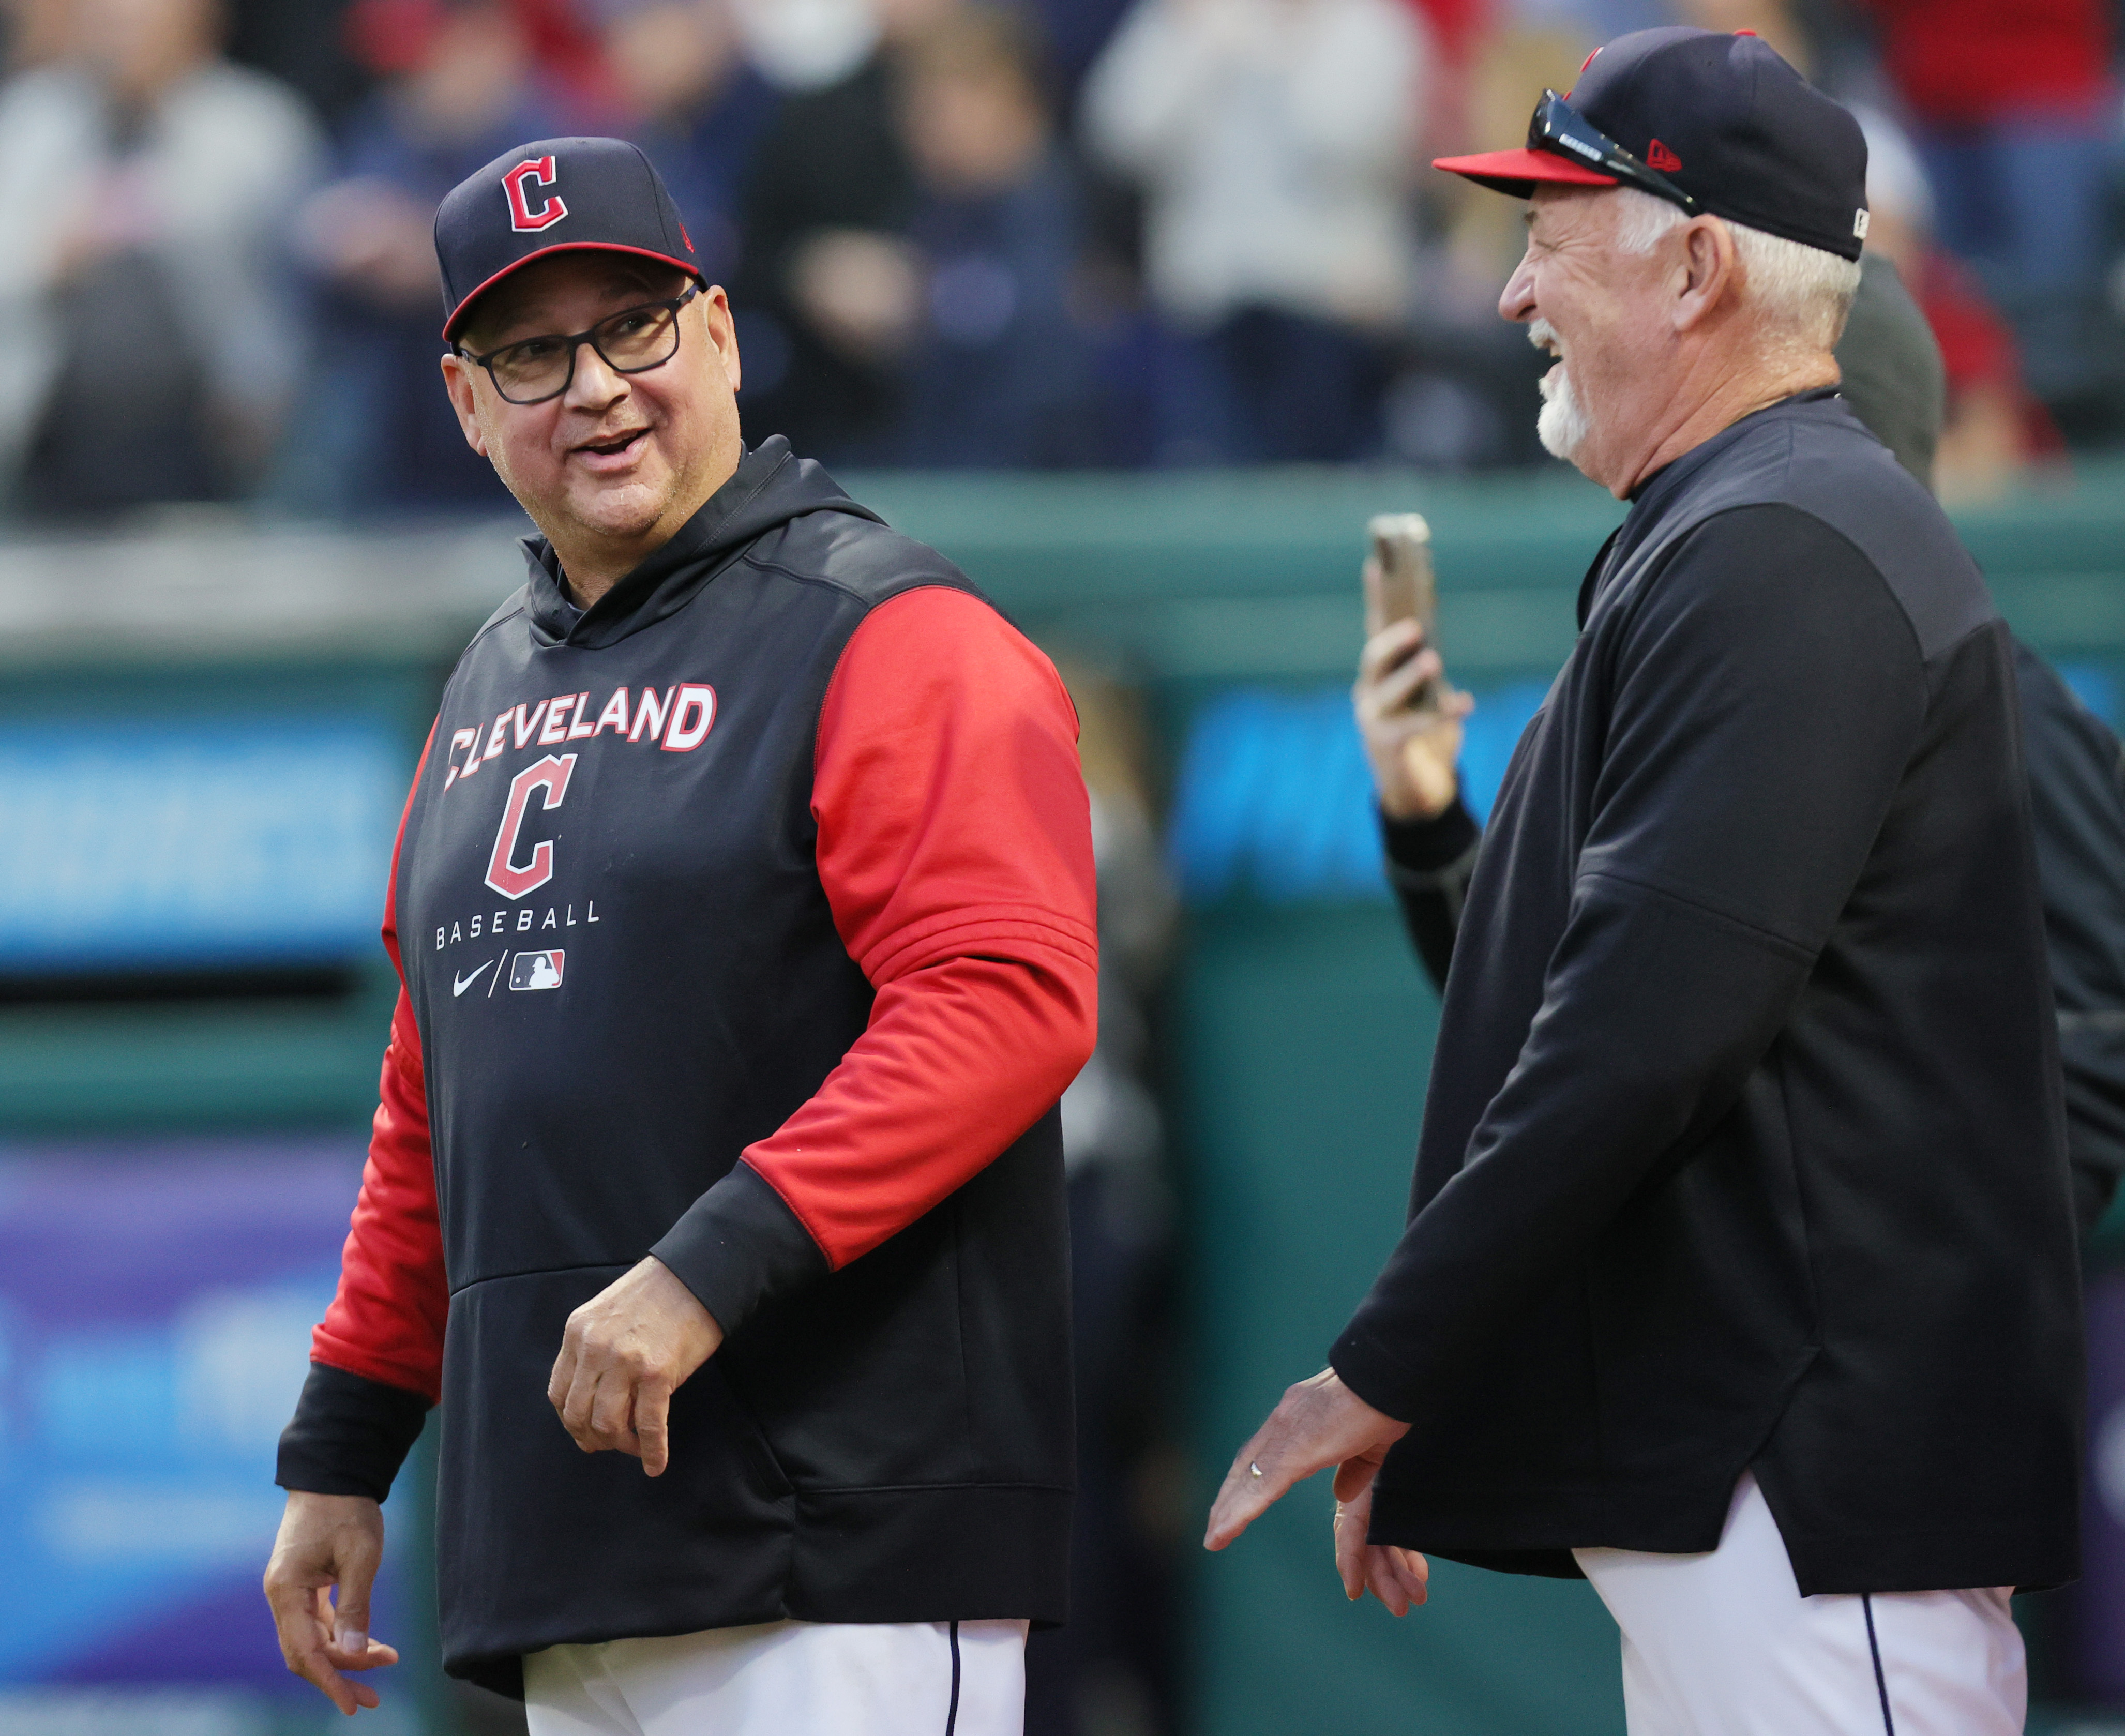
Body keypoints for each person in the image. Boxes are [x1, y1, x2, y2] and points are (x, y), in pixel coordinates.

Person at [1204, 29, 2082, 1735]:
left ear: (1689, 263)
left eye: (1549, 231)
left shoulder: (1787, 539)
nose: (1512, 290)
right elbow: (1583, 993)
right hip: (1751, 1489)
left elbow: (1639, 1029)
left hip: (1810, 1494)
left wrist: (1389, 1362)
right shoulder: (1729, 527)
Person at [261, 135, 1098, 1734]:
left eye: (631, 326)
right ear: (463, 402)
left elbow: (1008, 999)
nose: (594, 386)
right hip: (574, 1554)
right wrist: (343, 1446)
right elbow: (437, 1099)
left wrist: (708, 1268)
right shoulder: (485, 686)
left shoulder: (894, 632)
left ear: (716, 332)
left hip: (833, 1543)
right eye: (531, 352)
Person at [0, 0, 321, 515]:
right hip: (47, 438)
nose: (120, 38)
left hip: (211, 442)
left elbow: (297, 290)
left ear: (199, 22)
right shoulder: (31, 123)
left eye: (140, 21)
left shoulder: (257, 129)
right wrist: (50, 254)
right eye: (105, 21)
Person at [1081, 0, 1427, 464]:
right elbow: (1120, 136)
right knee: (1208, 480)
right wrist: (1194, 46)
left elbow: (1348, 141)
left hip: (1329, 310)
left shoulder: (1372, 27)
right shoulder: (1189, 17)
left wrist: (1285, 47)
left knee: (1320, 484)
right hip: (1206, 309)